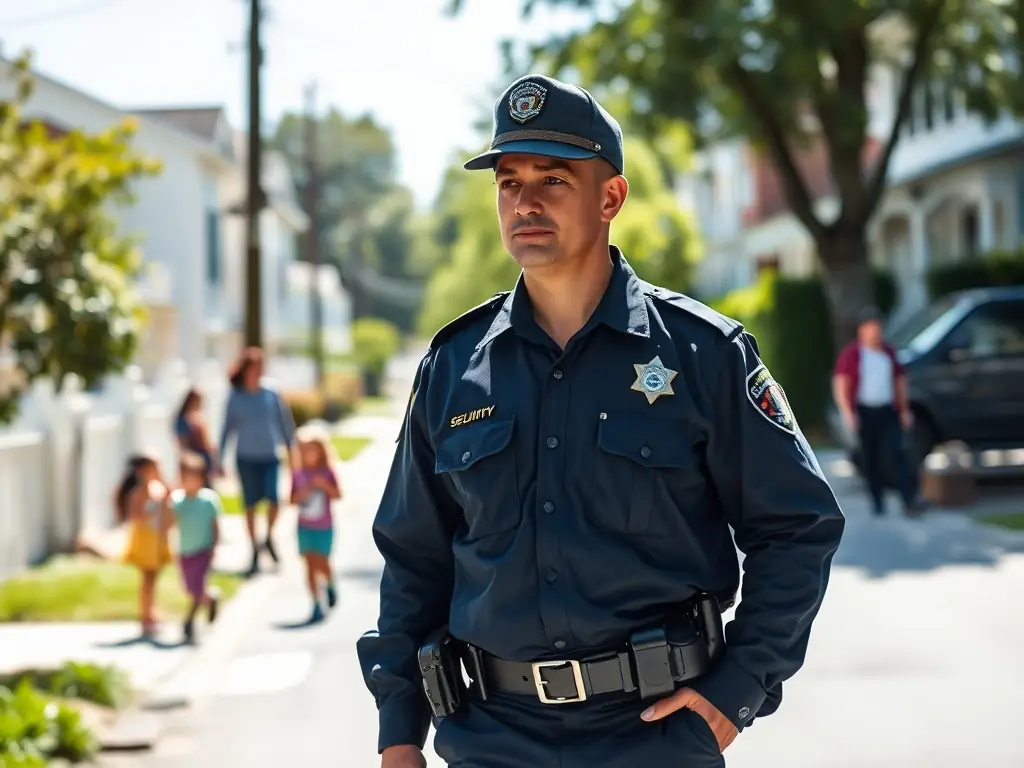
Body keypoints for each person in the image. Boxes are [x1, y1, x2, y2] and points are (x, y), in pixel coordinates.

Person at [357, 74, 846, 767]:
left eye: (552, 181)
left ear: (609, 196)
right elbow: (414, 558)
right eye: (508, 182)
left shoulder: (705, 355)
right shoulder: (453, 366)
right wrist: (399, 733)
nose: (524, 202)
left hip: (654, 737)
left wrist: (737, 690)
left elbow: (798, 527)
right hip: (493, 740)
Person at [833, 306, 926, 517]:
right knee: (871, 458)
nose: (874, 332)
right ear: (861, 330)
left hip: (887, 410)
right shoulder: (853, 355)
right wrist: (848, 412)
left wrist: (904, 410)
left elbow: (899, 382)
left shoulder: (889, 353)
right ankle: (877, 502)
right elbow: (841, 383)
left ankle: (909, 500)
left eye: (877, 327)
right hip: (865, 412)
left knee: (896, 454)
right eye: (870, 328)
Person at [219, 347, 298, 576]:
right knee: (250, 504)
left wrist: (292, 450)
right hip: (245, 457)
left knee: (274, 500)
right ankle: (253, 549)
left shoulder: (271, 392)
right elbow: (227, 428)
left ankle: (269, 537)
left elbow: (285, 423)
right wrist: (220, 457)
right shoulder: (236, 396)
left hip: (270, 456)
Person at [290, 426, 342, 624]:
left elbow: (338, 495)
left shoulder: (327, 472)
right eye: (304, 450)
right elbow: (292, 500)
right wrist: (306, 490)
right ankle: (315, 603)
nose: (308, 455)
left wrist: (324, 486)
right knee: (309, 564)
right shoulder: (298, 475)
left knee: (322, 561)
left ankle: (329, 583)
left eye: (312, 450)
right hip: (304, 527)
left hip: (324, 526)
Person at [116, 453, 172, 638]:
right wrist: (148, 514)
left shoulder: (158, 488)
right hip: (145, 539)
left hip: (156, 538)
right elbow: (134, 515)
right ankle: (146, 616)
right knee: (147, 579)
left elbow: (169, 499)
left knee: (153, 578)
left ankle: (151, 613)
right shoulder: (139, 491)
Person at [170, 452, 223, 643]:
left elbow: (215, 525)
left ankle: (189, 621)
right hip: (185, 550)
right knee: (191, 588)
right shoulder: (177, 501)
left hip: (203, 550)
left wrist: (215, 545)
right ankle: (212, 598)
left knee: (198, 587)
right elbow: (169, 522)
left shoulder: (208, 500)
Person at [174, 388, 218, 487]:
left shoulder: (199, 418)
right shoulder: (183, 421)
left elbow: (206, 442)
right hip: (193, 460)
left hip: (204, 458)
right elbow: (183, 443)